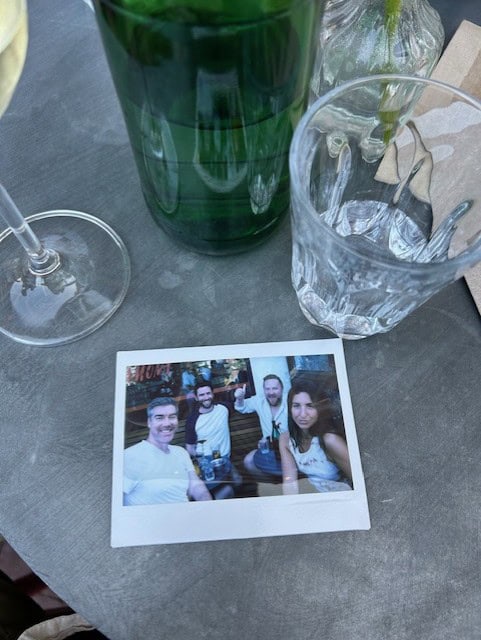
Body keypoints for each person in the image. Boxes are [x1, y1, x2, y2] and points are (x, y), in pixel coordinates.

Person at [123, 397, 212, 505]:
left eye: (172, 417)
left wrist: (208, 506)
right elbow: (117, 503)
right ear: (149, 422)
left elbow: (196, 487)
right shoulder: (129, 457)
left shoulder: (181, 452)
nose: (167, 423)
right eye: (159, 418)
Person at [279, 376, 352, 495]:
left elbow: (360, 480)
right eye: (296, 406)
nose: (302, 414)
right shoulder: (285, 440)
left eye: (310, 406)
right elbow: (289, 484)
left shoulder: (330, 440)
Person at [234, 374, 288, 478]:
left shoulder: (291, 401)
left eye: (275, 388)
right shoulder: (259, 401)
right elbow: (241, 407)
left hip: (290, 446)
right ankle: (271, 485)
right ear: (263, 390)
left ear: (282, 388)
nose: (271, 392)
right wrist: (239, 398)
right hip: (269, 448)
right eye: (267, 389)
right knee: (248, 461)